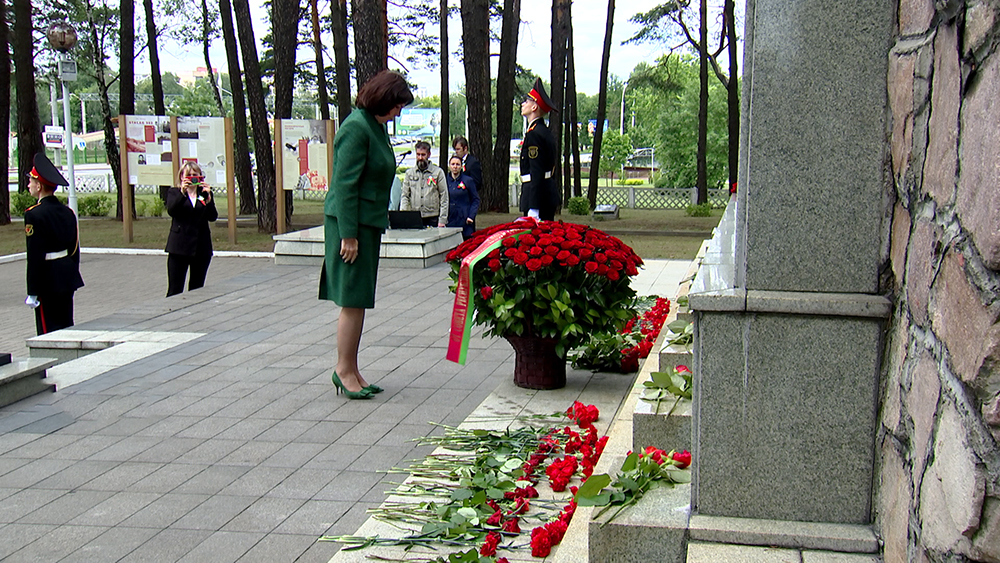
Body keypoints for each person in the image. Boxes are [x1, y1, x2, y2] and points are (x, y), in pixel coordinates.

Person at [319, 70, 414, 399]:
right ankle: (343, 370)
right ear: (384, 99)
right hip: (352, 226)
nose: (399, 113)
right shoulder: (356, 127)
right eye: (397, 106)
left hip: (366, 224)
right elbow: (344, 185)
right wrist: (348, 235)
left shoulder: (373, 126)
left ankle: (352, 370)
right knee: (351, 299)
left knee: (359, 299)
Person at [23, 153, 85, 335]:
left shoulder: (33, 214)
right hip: (66, 276)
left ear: (39, 186)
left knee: (47, 331)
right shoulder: (67, 212)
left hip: (47, 280)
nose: (29, 185)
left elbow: (34, 256)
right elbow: (74, 249)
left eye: (31, 181)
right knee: (66, 325)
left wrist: (33, 290)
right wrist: (71, 272)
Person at [165, 161, 218, 297]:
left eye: (195, 175)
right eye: (188, 175)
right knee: (175, 288)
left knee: (197, 288)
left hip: (200, 247)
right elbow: (172, 211)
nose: (192, 178)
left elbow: (212, 217)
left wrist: (209, 200)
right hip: (179, 247)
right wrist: (182, 192)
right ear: (181, 177)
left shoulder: (202, 195)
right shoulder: (175, 192)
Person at [519, 78, 559, 220]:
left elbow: (537, 170)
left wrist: (534, 207)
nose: (523, 104)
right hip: (544, 194)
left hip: (538, 198)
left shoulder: (535, 134)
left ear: (534, 107)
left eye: (527, 101)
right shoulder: (542, 131)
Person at [400, 140, 448, 227]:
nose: (420, 157)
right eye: (418, 154)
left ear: (429, 154)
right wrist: (403, 216)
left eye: (423, 155)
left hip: (432, 217)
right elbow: (405, 196)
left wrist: (442, 219)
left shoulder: (438, 172)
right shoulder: (409, 173)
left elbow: (444, 196)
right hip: (415, 216)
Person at [445, 154, 480, 240]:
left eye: (457, 164)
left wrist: (471, 216)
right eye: (453, 164)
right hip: (450, 219)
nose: (455, 167)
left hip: (465, 219)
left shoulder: (468, 180)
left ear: (461, 166)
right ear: (449, 166)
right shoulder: (445, 180)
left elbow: (475, 199)